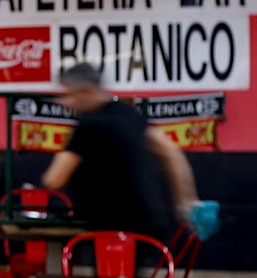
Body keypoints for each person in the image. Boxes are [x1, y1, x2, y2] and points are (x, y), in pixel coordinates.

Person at [41, 62, 197, 242]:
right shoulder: (130, 115)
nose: (64, 103)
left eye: (69, 95)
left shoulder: (89, 126)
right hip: (149, 227)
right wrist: (186, 201)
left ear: (86, 92)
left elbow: (54, 179)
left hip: (114, 231)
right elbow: (170, 152)